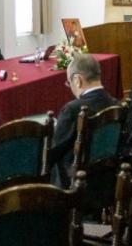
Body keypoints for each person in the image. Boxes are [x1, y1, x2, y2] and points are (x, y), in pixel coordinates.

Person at [48, 54, 117, 187]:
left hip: (75, 184)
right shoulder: (116, 104)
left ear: (77, 80)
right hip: (107, 180)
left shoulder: (73, 110)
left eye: (69, 83)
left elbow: (53, 152)